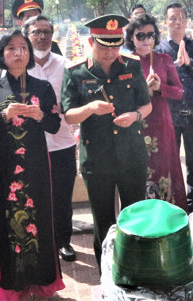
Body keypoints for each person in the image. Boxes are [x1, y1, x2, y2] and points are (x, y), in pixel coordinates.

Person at [61, 15, 153, 268]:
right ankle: (107, 273)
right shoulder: (75, 71)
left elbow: (146, 105)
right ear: (91, 41)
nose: (111, 51)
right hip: (97, 157)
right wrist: (90, 107)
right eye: (104, 45)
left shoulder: (132, 66)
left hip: (131, 153)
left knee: (135, 214)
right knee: (102, 219)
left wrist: (135, 116)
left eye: (116, 44)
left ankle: (135, 269)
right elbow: (68, 116)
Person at [0, 31, 64, 299]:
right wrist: (4, 115)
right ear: (2, 54)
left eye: (23, 48)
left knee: (42, 217)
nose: (19, 53)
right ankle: (15, 284)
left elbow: (54, 124)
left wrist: (40, 116)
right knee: (10, 221)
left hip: (37, 162)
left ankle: (42, 282)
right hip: (8, 165)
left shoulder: (43, 87)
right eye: (12, 48)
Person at [22, 15, 79, 262]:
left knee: (62, 197)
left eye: (46, 31)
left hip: (63, 142)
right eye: (36, 32)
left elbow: (74, 102)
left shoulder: (66, 66)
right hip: (30, 145)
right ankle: (40, 242)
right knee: (33, 196)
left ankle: (63, 241)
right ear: (27, 35)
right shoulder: (18, 67)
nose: (42, 36)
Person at [124, 13, 188, 211]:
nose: (146, 40)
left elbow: (179, 92)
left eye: (150, 35)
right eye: (140, 36)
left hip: (161, 124)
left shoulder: (163, 59)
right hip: (135, 125)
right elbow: (118, 98)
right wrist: (144, 90)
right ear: (131, 38)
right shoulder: (124, 62)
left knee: (163, 169)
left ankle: (167, 215)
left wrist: (160, 88)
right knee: (138, 171)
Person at [155, 3, 193, 213]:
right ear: (165, 22)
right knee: (168, 160)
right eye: (172, 18)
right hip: (169, 113)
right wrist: (176, 67)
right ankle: (171, 203)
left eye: (181, 18)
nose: (177, 22)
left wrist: (191, 64)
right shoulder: (159, 51)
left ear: (187, 21)